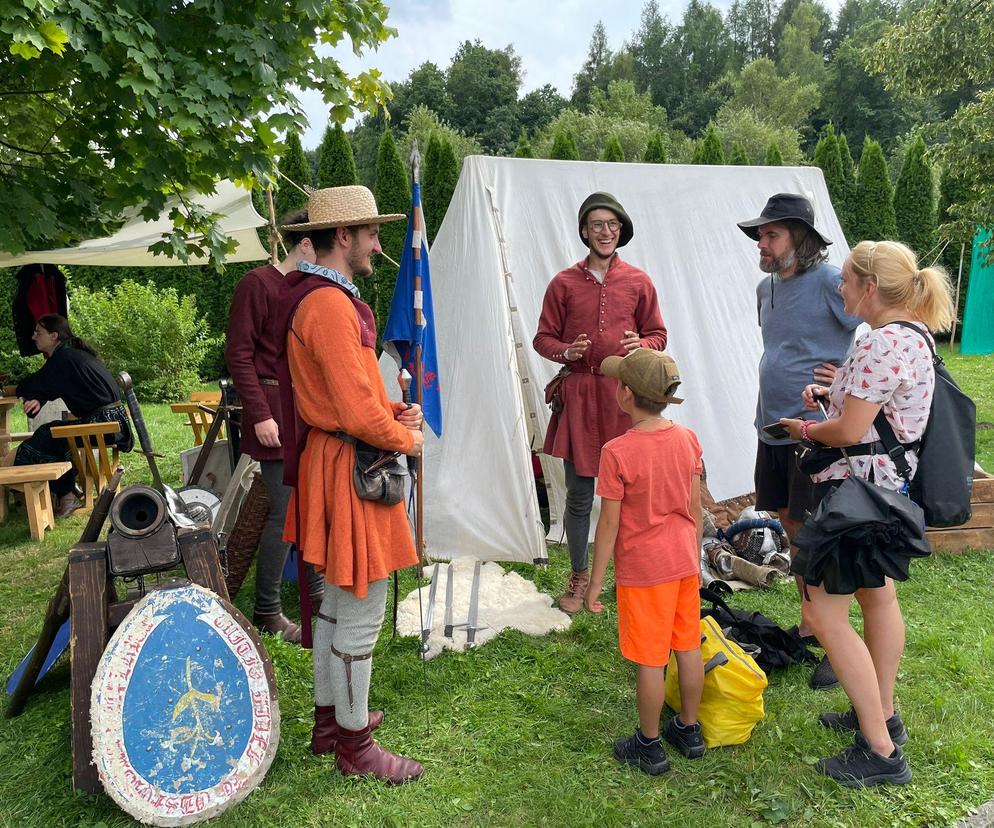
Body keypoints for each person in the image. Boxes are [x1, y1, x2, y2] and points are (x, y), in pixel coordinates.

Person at [780, 240, 955, 787]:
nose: (840, 287)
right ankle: (883, 714)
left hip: (856, 495)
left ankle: (880, 752)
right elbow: (879, 411)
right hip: (885, 491)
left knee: (825, 616)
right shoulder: (915, 336)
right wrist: (832, 395)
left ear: (870, 287)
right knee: (878, 598)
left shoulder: (880, 343)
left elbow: (849, 432)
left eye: (848, 280)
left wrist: (803, 428)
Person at [274, 185, 425, 784]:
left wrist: (391, 408)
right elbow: (356, 414)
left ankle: (330, 723)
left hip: (337, 459)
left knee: (337, 604)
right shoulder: (331, 308)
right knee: (361, 604)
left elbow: (356, 397)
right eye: (371, 234)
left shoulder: (323, 300)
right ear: (345, 237)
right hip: (351, 467)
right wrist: (404, 437)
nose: (377, 245)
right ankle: (355, 746)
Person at [737, 193, 861, 690]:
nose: (762, 244)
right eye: (761, 236)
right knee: (790, 523)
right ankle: (813, 624)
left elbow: (877, 328)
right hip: (773, 426)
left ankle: (839, 640)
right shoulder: (766, 288)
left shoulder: (833, 281)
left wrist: (846, 374)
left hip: (819, 429)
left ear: (800, 238)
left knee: (824, 532)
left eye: (771, 234)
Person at [533, 192, 667, 614]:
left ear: (621, 230)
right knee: (578, 494)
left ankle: (634, 578)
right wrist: (566, 353)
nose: (605, 232)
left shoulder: (640, 282)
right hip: (578, 397)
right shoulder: (563, 283)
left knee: (629, 495)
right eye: (596, 225)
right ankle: (579, 576)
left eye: (611, 224)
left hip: (624, 399)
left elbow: (659, 336)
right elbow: (543, 338)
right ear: (585, 232)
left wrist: (640, 343)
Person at [584, 348, 705, 776]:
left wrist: (595, 582)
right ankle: (690, 729)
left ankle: (649, 745)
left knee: (651, 659)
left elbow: (609, 526)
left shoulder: (617, 452)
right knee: (688, 646)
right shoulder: (688, 439)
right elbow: (694, 508)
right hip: (684, 561)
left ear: (626, 394)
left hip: (644, 570)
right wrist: (697, 555)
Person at [225, 211, 326, 644]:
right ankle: (267, 608)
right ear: (305, 245)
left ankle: (317, 594)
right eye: (318, 250)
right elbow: (239, 355)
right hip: (273, 412)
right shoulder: (257, 284)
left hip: (303, 411)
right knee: (285, 512)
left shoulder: (306, 292)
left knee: (311, 506)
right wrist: (261, 415)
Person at [7, 315, 133, 517]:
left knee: (48, 435)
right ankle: (66, 489)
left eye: (38, 333)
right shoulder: (71, 355)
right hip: (113, 424)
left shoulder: (63, 359)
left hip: (103, 425)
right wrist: (39, 398)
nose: (33, 337)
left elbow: (32, 384)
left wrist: (19, 391)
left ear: (54, 336)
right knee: (53, 432)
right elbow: (50, 384)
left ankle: (65, 494)